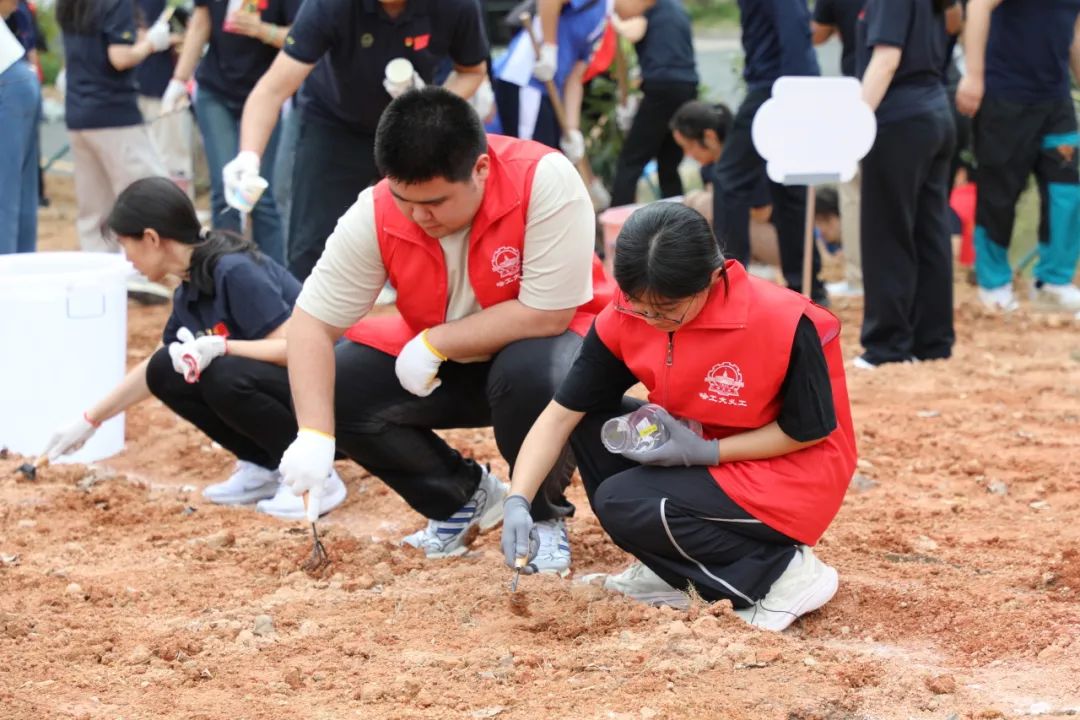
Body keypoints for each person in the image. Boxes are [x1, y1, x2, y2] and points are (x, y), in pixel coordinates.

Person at [276, 87, 612, 573]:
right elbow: (311, 322)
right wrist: (313, 432)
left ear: (480, 169)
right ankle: (462, 499)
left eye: (434, 202)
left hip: (546, 358)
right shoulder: (375, 211)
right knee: (339, 385)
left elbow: (548, 315)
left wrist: (438, 341)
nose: (418, 216)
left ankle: (539, 517)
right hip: (450, 367)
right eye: (404, 199)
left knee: (533, 370)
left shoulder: (543, 179)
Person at [500, 202, 855, 631]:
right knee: (595, 423)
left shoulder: (782, 321)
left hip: (792, 469)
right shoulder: (626, 316)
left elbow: (809, 431)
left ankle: (779, 572)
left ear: (713, 278)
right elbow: (561, 415)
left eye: (668, 307)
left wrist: (708, 452)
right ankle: (672, 572)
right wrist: (519, 500)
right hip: (704, 449)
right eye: (639, 304)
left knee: (623, 501)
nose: (651, 319)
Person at [41, 177, 348, 519]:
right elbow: (155, 367)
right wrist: (90, 420)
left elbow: (296, 350)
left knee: (222, 372)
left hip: (331, 399)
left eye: (126, 246)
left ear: (151, 238)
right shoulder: (189, 289)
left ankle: (318, 478)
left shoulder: (234, 271)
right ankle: (265, 465)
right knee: (165, 369)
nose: (128, 260)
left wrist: (224, 347)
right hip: (290, 395)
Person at [232, 0, 490, 281]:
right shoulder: (329, 6)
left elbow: (472, 71)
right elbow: (272, 89)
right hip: (333, 124)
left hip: (410, 128)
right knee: (312, 246)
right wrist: (248, 158)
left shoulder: (455, 6)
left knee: (425, 233)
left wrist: (429, 102)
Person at [957, 0, 1080, 312]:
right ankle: (993, 283)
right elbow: (978, 7)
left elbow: (1075, 32)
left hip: (1056, 100)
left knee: (1067, 190)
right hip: (1005, 96)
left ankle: (1053, 281)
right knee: (999, 194)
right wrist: (974, 75)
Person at [856, 0, 957, 369]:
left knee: (887, 234)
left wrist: (853, 123)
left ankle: (887, 346)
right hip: (934, 112)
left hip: (899, 119)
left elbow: (886, 60)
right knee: (930, 232)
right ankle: (933, 341)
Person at [164, 0, 300, 265]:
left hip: (266, 92)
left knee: (261, 193)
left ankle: (274, 276)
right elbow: (200, 23)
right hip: (215, 91)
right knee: (224, 191)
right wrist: (179, 80)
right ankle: (227, 270)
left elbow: (302, 39)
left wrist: (263, 30)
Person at [57, 0, 174, 303]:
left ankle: (101, 275)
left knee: (95, 206)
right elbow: (120, 57)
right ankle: (141, 272)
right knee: (147, 194)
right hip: (114, 114)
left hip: (79, 113)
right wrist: (152, 43)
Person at [715, 0, 825, 302]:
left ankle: (729, 285)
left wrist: (794, 96)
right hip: (779, 85)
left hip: (778, 88)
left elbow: (794, 30)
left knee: (729, 178)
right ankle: (806, 285)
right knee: (787, 183)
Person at [493, 0, 653, 159]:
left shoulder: (602, 22)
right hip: (527, 80)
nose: (639, 13)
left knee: (548, 157)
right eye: (645, 6)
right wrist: (549, 47)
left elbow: (575, 77)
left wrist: (572, 129)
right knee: (529, 158)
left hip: (550, 91)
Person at [671, 100, 780, 275]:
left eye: (688, 146)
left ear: (710, 137)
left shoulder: (744, 160)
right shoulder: (710, 168)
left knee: (700, 203)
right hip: (750, 239)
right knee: (698, 205)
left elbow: (763, 213)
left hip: (778, 240)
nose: (688, 154)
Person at [608, 0, 698, 206]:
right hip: (687, 87)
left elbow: (632, 32)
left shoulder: (647, 9)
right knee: (668, 164)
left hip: (661, 89)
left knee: (631, 161)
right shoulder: (677, 9)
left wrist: (614, 20)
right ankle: (676, 219)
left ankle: (618, 217)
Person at [812, 0, 865, 298]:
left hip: (861, 90)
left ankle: (859, 277)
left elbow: (816, 33)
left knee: (853, 188)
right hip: (921, 91)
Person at [134, 0, 195, 198]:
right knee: (167, 159)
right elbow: (137, 34)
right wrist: (173, 38)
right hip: (152, 86)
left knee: (172, 160)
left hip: (165, 87)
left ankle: (177, 210)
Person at [0, 0, 40, 254]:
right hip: (16, 75)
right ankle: (20, 273)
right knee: (18, 198)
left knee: (4, 201)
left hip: (7, 82)